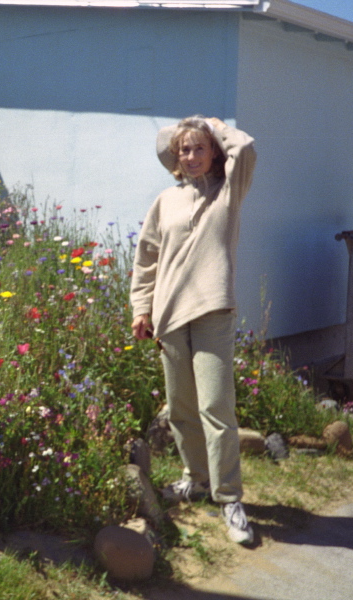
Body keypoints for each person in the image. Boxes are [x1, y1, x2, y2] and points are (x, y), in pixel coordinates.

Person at [130, 115, 256, 545]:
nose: (191, 155)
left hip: (212, 311)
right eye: (184, 149)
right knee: (181, 407)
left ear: (214, 152)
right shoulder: (166, 200)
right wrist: (141, 308)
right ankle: (196, 479)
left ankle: (229, 499)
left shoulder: (228, 194)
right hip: (168, 314)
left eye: (200, 148)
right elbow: (146, 257)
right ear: (176, 157)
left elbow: (248, 151)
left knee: (216, 408)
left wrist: (219, 127)